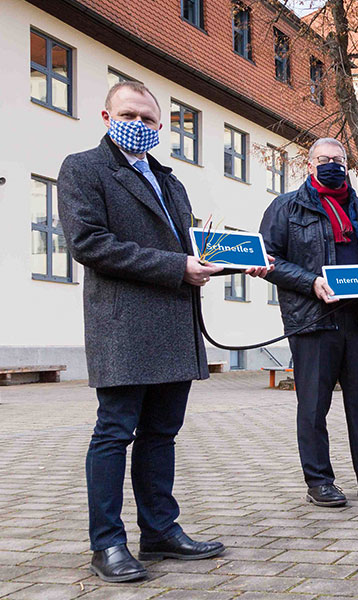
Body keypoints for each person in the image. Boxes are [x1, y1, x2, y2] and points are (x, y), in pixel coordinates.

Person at [58, 82, 270, 582]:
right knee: (114, 433)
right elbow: (90, 243)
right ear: (107, 117)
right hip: (124, 325)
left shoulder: (170, 181)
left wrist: (242, 263)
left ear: (160, 127)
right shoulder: (84, 168)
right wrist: (179, 266)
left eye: (151, 120)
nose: (141, 124)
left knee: (161, 435)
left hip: (174, 324)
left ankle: (159, 531)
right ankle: (107, 544)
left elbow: (194, 249)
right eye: (129, 113)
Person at [259, 138, 358, 507]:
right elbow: (268, 259)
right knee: (313, 406)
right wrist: (311, 283)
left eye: (338, 160)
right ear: (310, 165)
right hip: (312, 321)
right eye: (323, 159)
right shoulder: (286, 208)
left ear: (346, 165)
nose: (331, 164)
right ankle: (319, 481)